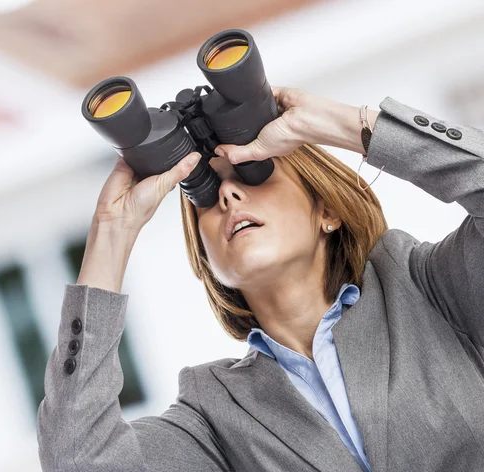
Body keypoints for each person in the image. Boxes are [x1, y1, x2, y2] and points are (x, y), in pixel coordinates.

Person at [36, 87, 484, 472]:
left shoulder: (433, 291)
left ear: (326, 209)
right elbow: (78, 459)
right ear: (206, 255)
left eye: (256, 172)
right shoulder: (215, 416)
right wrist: (112, 233)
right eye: (204, 196)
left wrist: (345, 125)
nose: (228, 194)